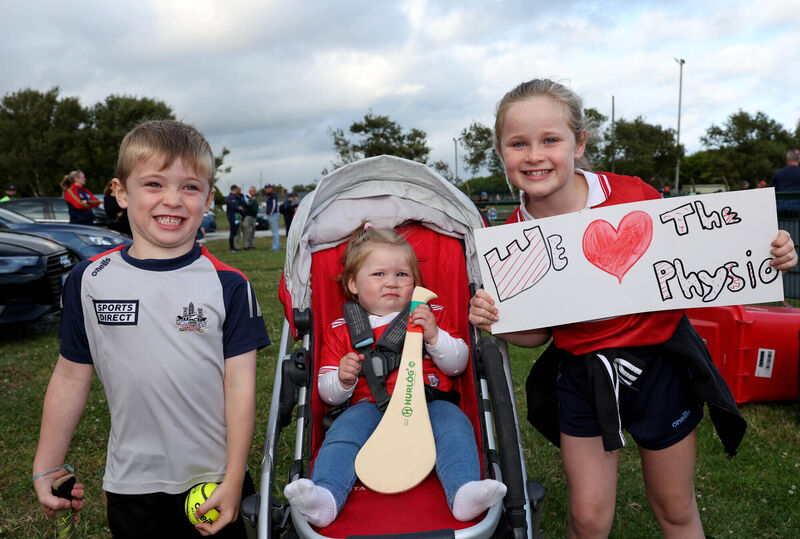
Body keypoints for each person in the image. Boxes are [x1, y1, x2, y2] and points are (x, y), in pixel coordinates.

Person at [468, 79, 798, 538]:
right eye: (518, 143)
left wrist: (770, 253)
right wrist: (496, 321)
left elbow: (701, 257)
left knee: (675, 508)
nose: (534, 155)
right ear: (501, 152)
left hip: (660, 365)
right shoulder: (512, 235)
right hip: (583, 376)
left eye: (550, 140)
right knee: (587, 518)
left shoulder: (632, 193)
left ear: (578, 143)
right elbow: (536, 334)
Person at [33, 119, 270, 538]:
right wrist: (48, 464)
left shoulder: (229, 284)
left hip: (213, 480)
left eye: (190, 187)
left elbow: (240, 388)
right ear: (121, 193)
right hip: (131, 483)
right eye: (154, 184)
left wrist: (234, 479)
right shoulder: (88, 279)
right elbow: (70, 376)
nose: (173, 200)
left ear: (208, 198)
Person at [284, 223, 506, 528]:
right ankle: (325, 495)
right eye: (379, 274)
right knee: (343, 434)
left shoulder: (431, 314)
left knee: (455, 426)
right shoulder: (340, 329)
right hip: (369, 409)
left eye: (402, 274)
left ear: (414, 282)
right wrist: (343, 380)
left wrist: (434, 336)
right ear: (353, 284)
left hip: (430, 404)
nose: (391, 282)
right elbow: (327, 393)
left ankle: (464, 489)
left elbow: (458, 364)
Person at [226, 185, 245, 252]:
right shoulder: (232, 197)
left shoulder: (230, 197)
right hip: (233, 217)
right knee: (233, 232)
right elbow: (234, 208)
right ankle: (232, 248)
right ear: (235, 190)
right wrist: (240, 209)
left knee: (234, 232)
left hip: (235, 217)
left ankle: (234, 247)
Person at [238, 186, 258, 250]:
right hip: (248, 217)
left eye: (254, 191)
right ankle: (247, 245)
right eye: (252, 191)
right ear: (249, 191)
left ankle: (251, 245)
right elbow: (246, 205)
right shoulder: (246, 197)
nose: (254, 192)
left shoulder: (254, 198)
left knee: (252, 232)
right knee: (248, 231)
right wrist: (249, 200)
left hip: (254, 217)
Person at [264, 184, 280, 250]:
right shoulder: (268, 196)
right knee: (274, 232)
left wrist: (270, 214)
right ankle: (275, 246)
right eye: (266, 188)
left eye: (268, 188)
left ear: (270, 188)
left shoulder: (273, 195)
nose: (267, 189)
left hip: (273, 215)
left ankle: (276, 247)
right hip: (270, 215)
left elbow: (274, 206)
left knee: (275, 232)